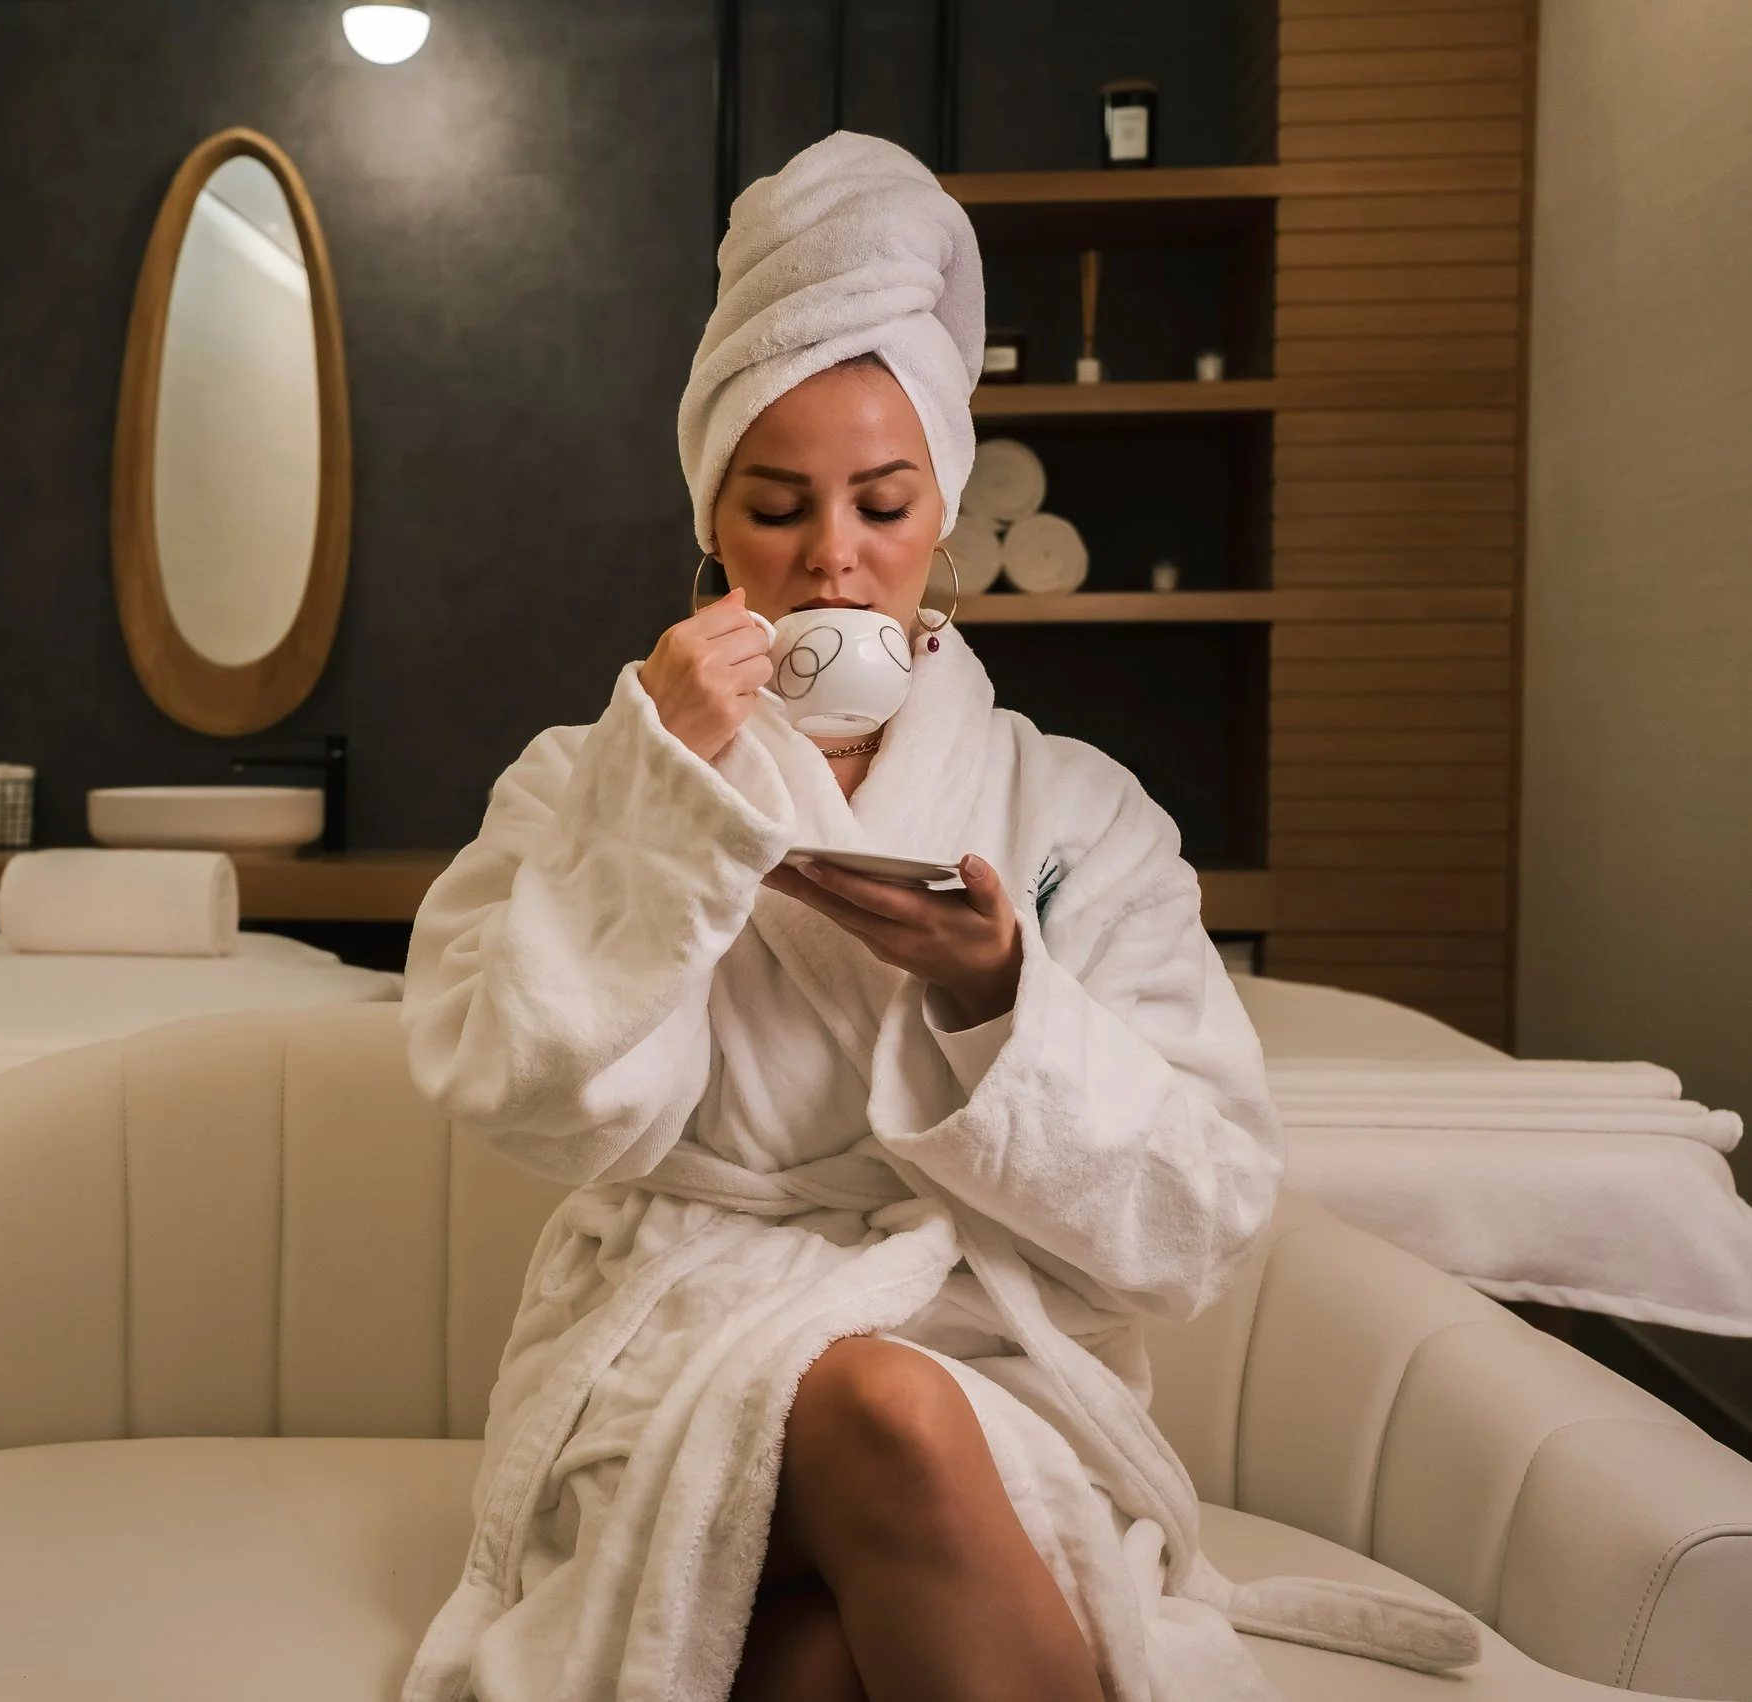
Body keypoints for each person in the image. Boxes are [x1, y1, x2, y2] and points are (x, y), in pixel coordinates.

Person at [396, 135, 1479, 1702]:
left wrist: (996, 1003)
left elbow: (1204, 1214)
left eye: (881, 503)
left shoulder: (1078, 811)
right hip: (678, 1346)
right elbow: (535, 1100)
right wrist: (664, 800)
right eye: (775, 508)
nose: (831, 555)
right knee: (879, 1416)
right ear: (711, 533)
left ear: (943, 524)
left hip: (985, 1353)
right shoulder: (592, 776)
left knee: (831, 1650)